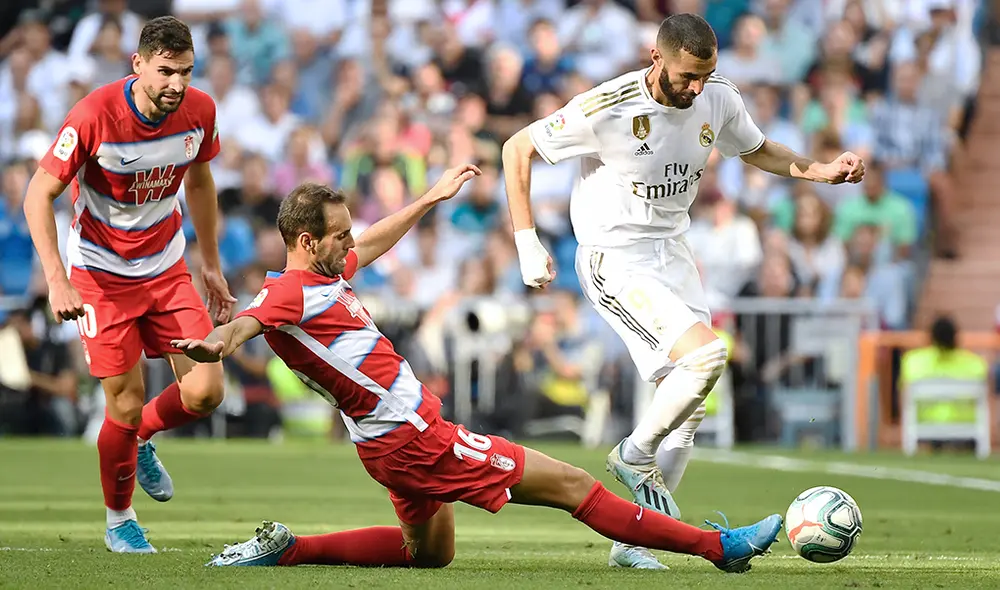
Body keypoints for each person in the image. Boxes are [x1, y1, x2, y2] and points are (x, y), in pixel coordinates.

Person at [171, 170, 783, 573]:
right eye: (340, 236)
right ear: (305, 242)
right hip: (414, 438)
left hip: (386, 443)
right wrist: (214, 345)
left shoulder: (325, 275)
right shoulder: (288, 296)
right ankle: (718, 549)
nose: (351, 244)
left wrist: (429, 199)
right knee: (573, 485)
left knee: (430, 556)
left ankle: (288, 551)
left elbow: (372, 245)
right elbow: (244, 324)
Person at [501, 13, 865, 569]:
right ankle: (633, 453)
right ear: (657, 58)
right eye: (686, 76)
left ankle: (633, 541)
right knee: (708, 355)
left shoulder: (717, 97)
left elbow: (755, 148)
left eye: (705, 75)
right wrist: (527, 241)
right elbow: (515, 148)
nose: (695, 88)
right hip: (615, 259)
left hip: (674, 254)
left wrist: (819, 171)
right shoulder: (608, 107)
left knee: (689, 407)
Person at [22, 17, 235, 553]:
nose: (177, 84)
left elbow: (202, 181)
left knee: (207, 391)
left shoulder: (200, 112)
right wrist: (57, 278)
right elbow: (36, 195)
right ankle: (120, 519)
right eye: (166, 71)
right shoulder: (95, 114)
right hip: (100, 275)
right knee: (123, 401)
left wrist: (210, 261)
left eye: (186, 72)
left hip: (167, 267)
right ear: (137, 64)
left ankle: (140, 436)